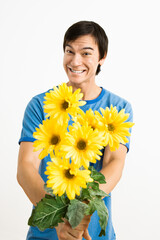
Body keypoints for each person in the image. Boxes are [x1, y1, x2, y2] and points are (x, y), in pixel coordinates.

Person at [17, 20, 133, 240]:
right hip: (46, 235)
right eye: (69, 51)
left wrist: (80, 212)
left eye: (86, 53)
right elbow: (25, 167)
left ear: (102, 57)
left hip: (95, 234)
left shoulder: (118, 108)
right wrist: (60, 219)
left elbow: (114, 163)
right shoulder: (41, 105)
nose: (75, 60)